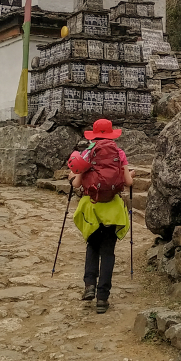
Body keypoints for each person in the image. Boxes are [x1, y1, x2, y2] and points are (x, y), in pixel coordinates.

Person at [68, 118, 134, 314]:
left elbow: (77, 184)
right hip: (112, 209)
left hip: (92, 208)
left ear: (94, 134)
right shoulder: (119, 153)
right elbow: (128, 183)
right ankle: (102, 299)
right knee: (108, 253)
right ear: (111, 133)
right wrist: (131, 174)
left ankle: (89, 285)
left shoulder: (87, 152)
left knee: (92, 246)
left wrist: (72, 177)